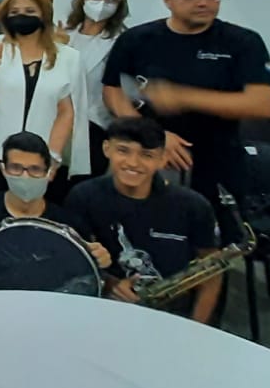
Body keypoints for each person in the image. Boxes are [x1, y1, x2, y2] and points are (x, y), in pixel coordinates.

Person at [102, 0, 270, 203]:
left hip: (217, 152)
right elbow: (113, 91)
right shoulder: (137, 39)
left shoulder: (242, 42)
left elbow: (262, 103)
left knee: (211, 223)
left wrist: (182, 96)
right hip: (147, 150)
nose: (203, 2)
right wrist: (152, 135)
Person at [65, 118, 220, 322]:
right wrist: (111, 285)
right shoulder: (83, 196)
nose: (133, 163)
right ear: (106, 148)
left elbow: (211, 272)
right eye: (123, 151)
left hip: (174, 314)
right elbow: (75, 263)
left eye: (147, 155)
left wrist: (197, 328)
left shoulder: (193, 206)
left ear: (163, 159)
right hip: (106, 308)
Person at [0, 0, 89, 193]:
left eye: (30, 12)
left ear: (44, 15)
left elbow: (67, 112)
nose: (22, 17)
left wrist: (53, 156)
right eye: (15, 12)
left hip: (42, 155)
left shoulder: (68, 57)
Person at [0, 132, 108, 284]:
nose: (25, 176)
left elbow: (82, 278)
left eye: (35, 169)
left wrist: (97, 261)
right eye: (16, 167)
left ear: (49, 172)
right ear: (3, 169)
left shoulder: (68, 223)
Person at [62, 0, 131, 181]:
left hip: (95, 124)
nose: (102, 3)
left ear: (119, 5)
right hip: (56, 121)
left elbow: (123, 89)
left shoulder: (122, 41)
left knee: (81, 184)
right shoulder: (65, 33)